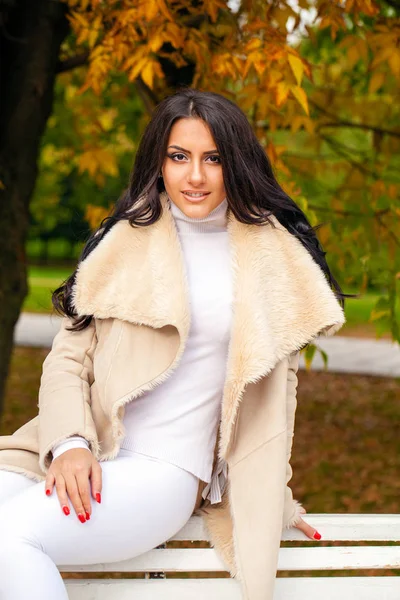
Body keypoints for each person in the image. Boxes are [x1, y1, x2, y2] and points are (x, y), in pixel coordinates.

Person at [0, 88, 348, 600]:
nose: (195, 176)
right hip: (67, 449)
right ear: (158, 162)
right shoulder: (125, 239)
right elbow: (67, 361)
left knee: (10, 538)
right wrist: (71, 443)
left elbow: (277, 404)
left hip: (162, 472)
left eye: (213, 159)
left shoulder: (274, 260)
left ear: (237, 163)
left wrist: (274, 496)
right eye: (178, 157)